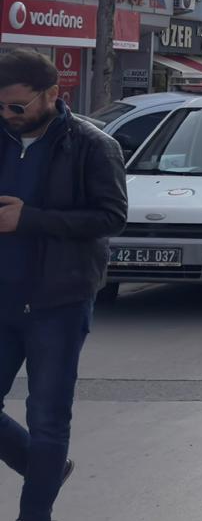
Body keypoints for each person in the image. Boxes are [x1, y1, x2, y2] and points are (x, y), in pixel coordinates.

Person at [0, 50, 126, 520]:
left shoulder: (93, 146)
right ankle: (45, 468)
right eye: (0, 107)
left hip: (59, 301)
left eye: (17, 106)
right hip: (2, 298)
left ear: (54, 94)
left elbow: (111, 216)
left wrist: (29, 219)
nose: (8, 116)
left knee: (47, 418)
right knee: (43, 444)